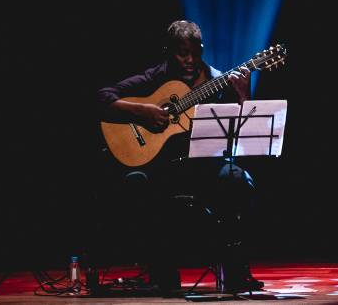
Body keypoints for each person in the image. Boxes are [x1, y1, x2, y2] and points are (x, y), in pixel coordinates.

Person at [96, 20, 261, 294]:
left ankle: (235, 270)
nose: (190, 60)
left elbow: (244, 131)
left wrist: (244, 93)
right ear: (168, 52)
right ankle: (162, 273)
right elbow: (102, 97)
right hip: (165, 166)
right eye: (182, 53)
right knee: (137, 183)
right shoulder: (155, 77)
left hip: (206, 164)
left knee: (238, 180)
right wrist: (143, 112)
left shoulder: (217, 80)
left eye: (195, 53)